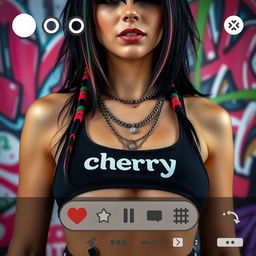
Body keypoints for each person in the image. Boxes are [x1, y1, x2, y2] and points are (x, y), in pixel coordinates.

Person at [8, 0, 240, 255]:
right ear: (88, 16)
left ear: (170, 12)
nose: (130, 12)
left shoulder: (210, 120)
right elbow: (26, 248)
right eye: (110, 1)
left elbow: (222, 248)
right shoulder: (49, 117)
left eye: (146, 0)